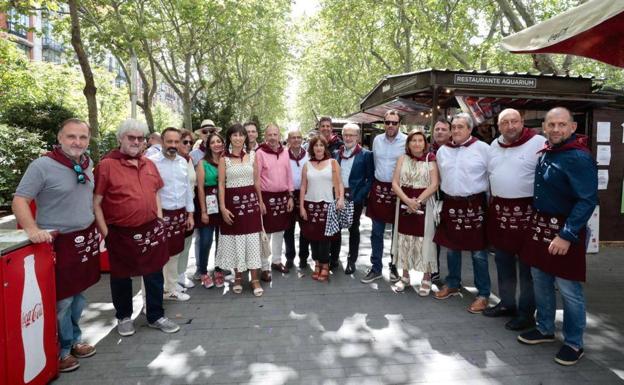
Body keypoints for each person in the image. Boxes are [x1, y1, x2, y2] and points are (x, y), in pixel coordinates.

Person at [12, 118, 99, 373]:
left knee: (79, 296)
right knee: (61, 300)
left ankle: (74, 339)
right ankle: (61, 350)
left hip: (83, 240)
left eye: (83, 137)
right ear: (60, 138)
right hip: (56, 243)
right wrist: (32, 230)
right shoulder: (42, 166)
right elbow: (19, 200)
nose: (77, 142)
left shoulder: (86, 162)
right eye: (71, 136)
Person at [517, 107, 597, 366]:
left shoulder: (578, 157)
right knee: (540, 279)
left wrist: (567, 235)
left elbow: (587, 201)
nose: (556, 129)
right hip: (541, 227)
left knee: (568, 288)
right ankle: (545, 329)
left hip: (565, 231)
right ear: (544, 127)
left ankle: (574, 343)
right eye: (551, 124)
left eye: (562, 124)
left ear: (572, 127)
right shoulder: (547, 153)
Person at [94, 119, 180, 336]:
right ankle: (123, 317)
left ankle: (155, 315)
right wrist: (107, 234)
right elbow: (96, 202)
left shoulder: (149, 164)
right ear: (120, 139)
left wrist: (159, 220)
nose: (136, 141)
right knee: (121, 277)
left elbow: (157, 192)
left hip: (151, 230)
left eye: (140, 138)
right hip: (120, 233)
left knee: (154, 275)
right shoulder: (106, 165)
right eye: (131, 137)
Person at [484, 109, 545, 330]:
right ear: (499, 126)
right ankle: (507, 304)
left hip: (528, 214)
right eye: (505, 123)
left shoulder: (538, 142)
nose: (510, 126)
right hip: (501, 214)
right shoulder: (493, 145)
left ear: (522, 122)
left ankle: (527, 312)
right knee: (503, 263)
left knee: (527, 267)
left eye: (514, 122)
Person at [433, 112, 491, 314]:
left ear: (469, 129)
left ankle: (483, 294)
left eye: (460, 127)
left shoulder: (483, 149)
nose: (456, 130)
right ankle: (453, 283)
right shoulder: (443, 151)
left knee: (479, 254)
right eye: (454, 127)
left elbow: (492, 177)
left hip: (475, 204)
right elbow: (438, 178)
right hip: (451, 203)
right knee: (451, 249)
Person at [216, 123, 264, 296]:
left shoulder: (252, 156)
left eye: (241, 135)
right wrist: (222, 207)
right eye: (234, 135)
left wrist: (261, 202)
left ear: (245, 137)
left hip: (251, 206)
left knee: (252, 240)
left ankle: (255, 279)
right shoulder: (224, 159)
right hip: (232, 206)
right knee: (236, 240)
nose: (238, 138)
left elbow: (257, 181)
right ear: (229, 138)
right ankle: (237, 277)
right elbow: (221, 184)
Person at [148, 127, 195, 302]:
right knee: (157, 257)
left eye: (177, 142)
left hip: (179, 214)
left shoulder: (183, 162)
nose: (173, 145)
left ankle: (171, 289)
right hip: (160, 215)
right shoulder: (151, 162)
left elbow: (188, 191)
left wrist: (190, 214)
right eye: (170, 141)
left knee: (175, 254)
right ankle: (152, 296)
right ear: (162, 142)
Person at [391, 130, 439, 295]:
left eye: (420, 140)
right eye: (413, 141)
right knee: (404, 239)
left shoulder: (430, 160)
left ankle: (426, 277)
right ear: (408, 143)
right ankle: (404, 276)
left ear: (425, 144)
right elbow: (395, 183)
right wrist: (407, 201)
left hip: (424, 204)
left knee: (425, 240)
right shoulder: (402, 159)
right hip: (404, 202)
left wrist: (417, 202)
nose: (417, 143)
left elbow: (434, 184)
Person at [361, 110, 407, 284]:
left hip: (398, 190)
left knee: (397, 233)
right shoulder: (377, 140)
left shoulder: (406, 141)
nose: (390, 125)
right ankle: (376, 268)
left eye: (394, 123)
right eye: (387, 122)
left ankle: (394, 266)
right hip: (379, 188)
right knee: (376, 232)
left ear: (399, 124)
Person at [299, 136, 344, 282]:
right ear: (311, 148)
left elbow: (340, 183)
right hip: (310, 204)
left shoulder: (333, 163)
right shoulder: (307, 165)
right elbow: (303, 186)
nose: (318, 148)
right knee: (312, 237)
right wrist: (301, 207)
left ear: (325, 148)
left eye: (321, 145)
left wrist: (341, 198)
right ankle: (317, 263)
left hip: (328, 204)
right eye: (315, 146)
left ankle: (325, 265)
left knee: (325, 238)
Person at [331, 123, 374, 274]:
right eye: (346, 135)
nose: (348, 138)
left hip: (355, 197)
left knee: (353, 229)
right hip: (337, 196)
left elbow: (370, 179)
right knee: (335, 229)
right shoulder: (336, 153)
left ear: (358, 137)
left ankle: (351, 260)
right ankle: (334, 259)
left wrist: (360, 196)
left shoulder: (366, 154)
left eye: (352, 135)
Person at [255, 123, 295, 279]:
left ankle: (277, 261)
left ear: (279, 136)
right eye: (269, 135)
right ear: (265, 136)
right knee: (266, 234)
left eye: (275, 134)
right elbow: (256, 179)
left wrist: (291, 196)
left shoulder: (285, 152)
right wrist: (260, 201)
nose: (272, 138)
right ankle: (264, 267)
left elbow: (289, 175)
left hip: (283, 196)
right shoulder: (259, 153)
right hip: (266, 197)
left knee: (280, 231)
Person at [194, 132, 225, 288]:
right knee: (206, 240)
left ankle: (218, 270)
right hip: (208, 204)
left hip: (224, 205)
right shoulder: (202, 163)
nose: (216, 144)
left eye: (219, 141)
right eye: (213, 142)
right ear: (208, 145)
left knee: (222, 240)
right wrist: (204, 212)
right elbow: (199, 188)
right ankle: (203, 272)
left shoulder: (226, 161)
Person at [429, 117, 452, 286]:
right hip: (431, 199)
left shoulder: (455, 149)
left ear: (450, 132)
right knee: (433, 237)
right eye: (437, 129)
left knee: (450, 241)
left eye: (443, 129)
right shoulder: (426, 149)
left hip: (450, 199)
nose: (439, 132)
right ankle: (433, 271)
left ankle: (453, 278)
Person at [284, 130, 311, 270]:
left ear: (302, 139)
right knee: (288, 228)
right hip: (288, 194)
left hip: (304, 194)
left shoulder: (308, 155)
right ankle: (289, 257)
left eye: (298, 137)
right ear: (288, 140)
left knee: (304, 227)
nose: (296, 140)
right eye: (293, 138)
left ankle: (303, 257)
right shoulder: (283, 155)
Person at [176, 129, 197, 290]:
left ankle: (181, 274)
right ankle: (172, 280)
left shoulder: (189, 160)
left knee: (186, 243)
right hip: (173, 208)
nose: (188, 145)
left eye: (190, 142)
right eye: (185, 142)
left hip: (189, 207)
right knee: (174, 245)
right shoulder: (171, 160)